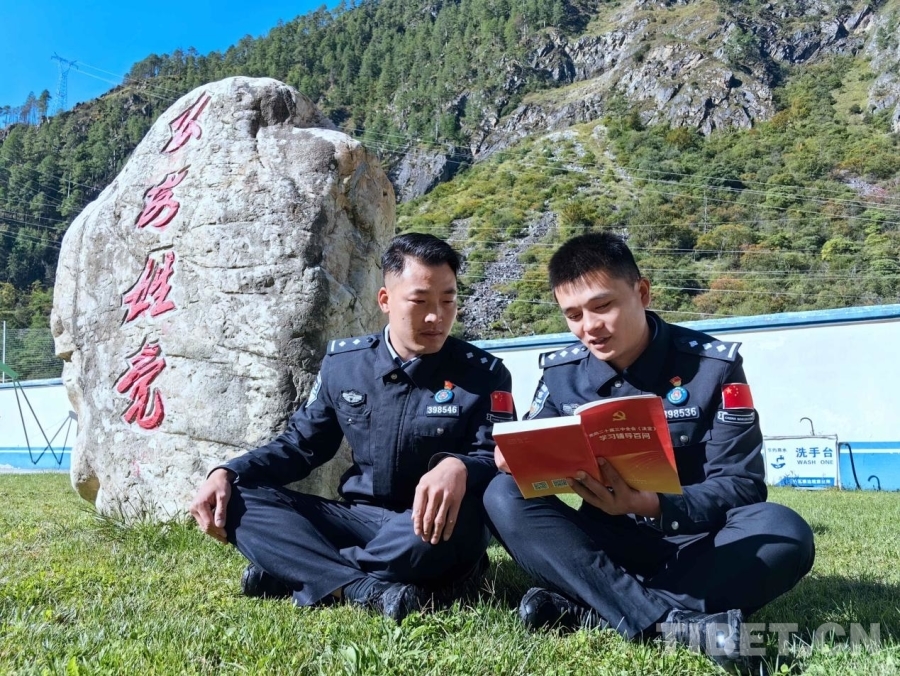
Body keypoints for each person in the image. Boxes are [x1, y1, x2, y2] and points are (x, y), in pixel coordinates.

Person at [483, 231, 814, 669]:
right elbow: (536, 446)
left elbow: (742, 484)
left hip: (699, 545)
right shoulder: (562, 373)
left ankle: (592, 610)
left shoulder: (712, 366)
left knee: (784, 530)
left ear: (641, 292)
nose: (589, 327)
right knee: (501, 494)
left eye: (602, 306)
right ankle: (674, 622)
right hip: (607, 547)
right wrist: (518, 458)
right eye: (573, 315)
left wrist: (653, 504)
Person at [190, 233, 515, 623]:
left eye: (448, 301)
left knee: (453, 529)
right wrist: (227, 472)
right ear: (385, 300)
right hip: (357, 519)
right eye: (420, 302)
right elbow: (300, 445)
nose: (436, 317)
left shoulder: (484, 375)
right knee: (239, 498)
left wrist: (459, 466)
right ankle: (359, 587)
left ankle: (299, 569)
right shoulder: (345, 365)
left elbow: (498, 458)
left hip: (428, 527)